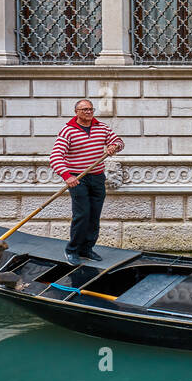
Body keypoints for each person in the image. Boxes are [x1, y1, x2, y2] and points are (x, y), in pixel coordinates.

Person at [50, 98, 124, 265]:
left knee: (94, 215)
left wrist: (114, 146)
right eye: (84, 109)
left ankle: (87, 249)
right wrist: (67, 176)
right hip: (78, 178)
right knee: (82, 214)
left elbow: (119, 142)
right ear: (76, 112)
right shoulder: (68, 131)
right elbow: (55, 157)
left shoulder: (102, 128)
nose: (89, 112)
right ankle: (72, 250)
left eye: (91, 109)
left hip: (97, 177)